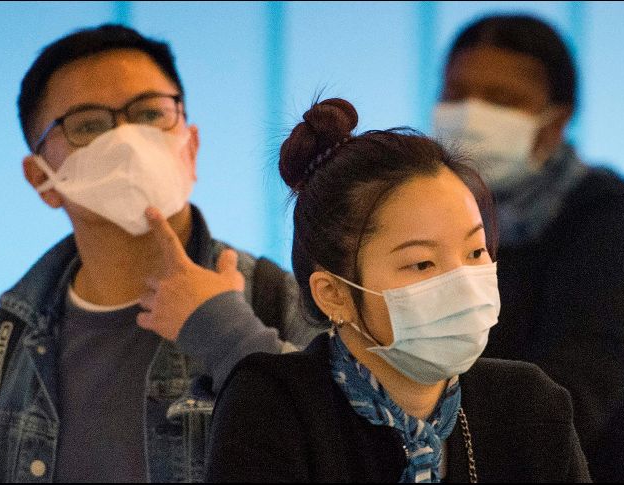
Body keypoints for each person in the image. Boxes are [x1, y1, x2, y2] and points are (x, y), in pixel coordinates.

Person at [0, 24, 321, 483]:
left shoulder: (276, 302)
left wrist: (232, 339)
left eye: (149, 114)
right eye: (87, 125)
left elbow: (351, 452)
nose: (126, 141)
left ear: (191, 148)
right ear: (41, 179)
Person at [205, 98, 591, 482]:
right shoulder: (272, 405)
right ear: (334, 294)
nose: (462, 282)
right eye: (422, 263)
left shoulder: (531, 405)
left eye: (475, 252)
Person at [432, 14, 624, 482]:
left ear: (556, 120)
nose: (471, 114)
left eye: (502, 100)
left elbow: (570, 396)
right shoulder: (432, 220)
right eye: (457, 95)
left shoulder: (611, 220)